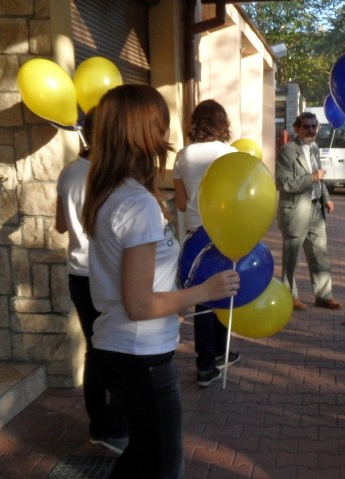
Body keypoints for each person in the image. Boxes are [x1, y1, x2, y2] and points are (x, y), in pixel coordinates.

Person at [81, 85, 239, 478]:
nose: (167, 136)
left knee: (142, 456)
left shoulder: (116, 192)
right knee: (164, 465)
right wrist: (205, 292)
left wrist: (176, 302)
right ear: (141, 131)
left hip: (126, 349)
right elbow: (139, 303)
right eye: (162, 125)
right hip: (140, 355)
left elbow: (138, 289)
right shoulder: (135, 204)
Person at [54, 111, 128, 454]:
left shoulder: (69, 171)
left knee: (95, 350)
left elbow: (59, 225)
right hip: (104, 274)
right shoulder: (108, 176)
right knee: (115, 352)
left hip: (77, 274)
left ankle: (101, 423)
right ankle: (109, 426)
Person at [172, 99, 241, 388]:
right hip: (224, 232)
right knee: (223, 294)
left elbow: (181, 202)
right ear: (221, 124)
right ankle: (209, 362)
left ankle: (210, 356)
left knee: (203, 296)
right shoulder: (231, 153)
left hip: (194, 231)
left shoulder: (182, 156)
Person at [275, 112, 342, 311]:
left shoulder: (314, 148)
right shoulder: (287, 151)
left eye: (314, 126)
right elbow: (283, 183)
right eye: (306, 126)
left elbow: (319, 178)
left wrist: (327, 199)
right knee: (291, 258)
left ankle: (323, 296)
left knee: (320, 254)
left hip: (315, 210)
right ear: (297, 128)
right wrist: (311, 177)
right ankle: (289, 296)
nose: (311, 130)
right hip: (295, 211)